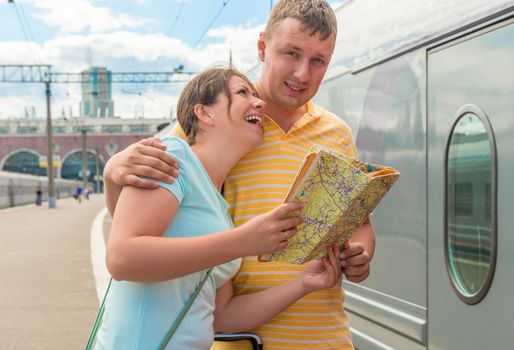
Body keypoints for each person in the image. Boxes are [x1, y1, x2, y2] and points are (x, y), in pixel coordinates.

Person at [103, 1, 375, 348]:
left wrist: (359, 254)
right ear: (263, 47)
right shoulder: (214, 128)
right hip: (242, 341)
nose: (302, 74)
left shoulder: (337, 134)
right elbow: (135, 219)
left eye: (318, 60)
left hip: (327, 338)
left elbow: (361, 224)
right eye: (291, 53)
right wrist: (113, 172)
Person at [95, 67, 343, 349]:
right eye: (242, 93)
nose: (259, 103)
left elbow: (222, 318)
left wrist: (304, 283)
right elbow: (122, 258)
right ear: (204, 113)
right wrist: (243, 242)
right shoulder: (171, 157)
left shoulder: (220, 212)